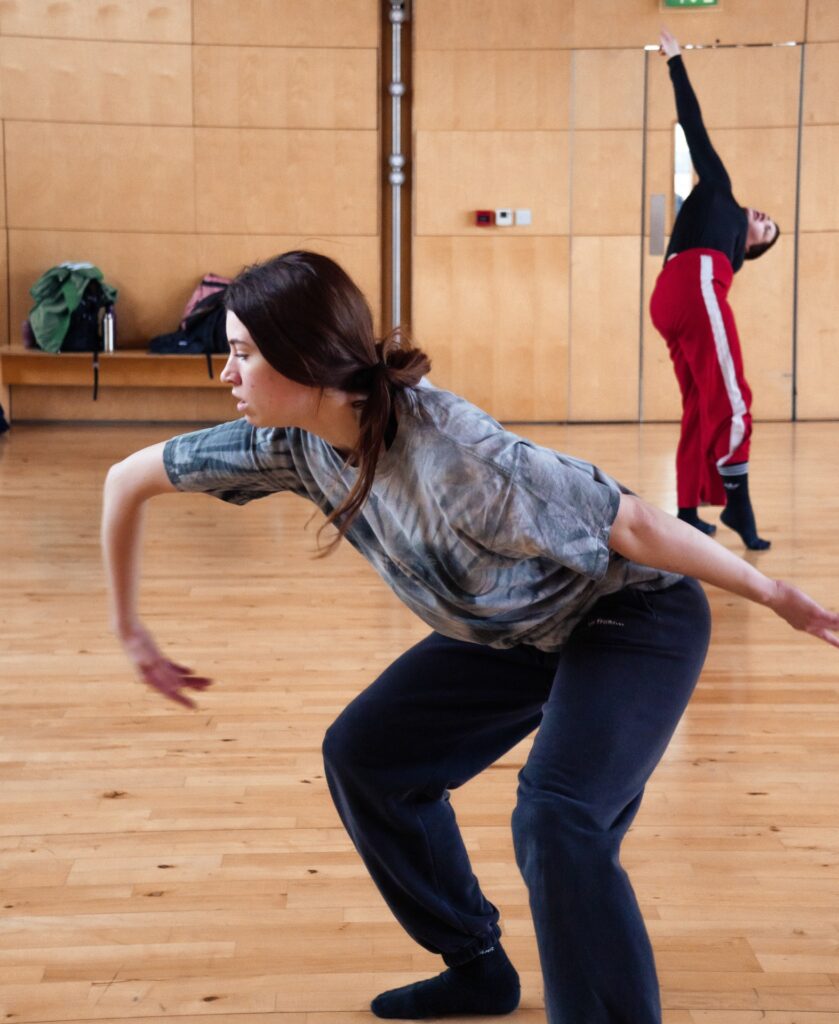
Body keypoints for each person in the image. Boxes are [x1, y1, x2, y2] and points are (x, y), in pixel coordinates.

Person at [102, 251, 837, 1024]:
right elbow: (126, 479)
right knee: (368, 757)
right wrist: (129, 629)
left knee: (559, 817)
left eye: (243, 354)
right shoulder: (292, 444)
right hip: (511, 628)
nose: (226, 373)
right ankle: (476, 964)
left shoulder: (458, 455)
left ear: (309, 359)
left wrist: (771, 593)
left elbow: (633, 523)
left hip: (630, 617)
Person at [650, 28, 780, 551]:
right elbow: (693, 125)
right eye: (768, 221)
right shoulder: (719, 191)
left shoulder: (727, 258)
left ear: (750, 250)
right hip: (688, 282)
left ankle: (687, 508)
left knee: (702, 405)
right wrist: (677, 62)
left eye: (768, 232)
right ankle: (738, 502)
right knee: (732, 394)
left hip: (673, 294)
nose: (767, 221)